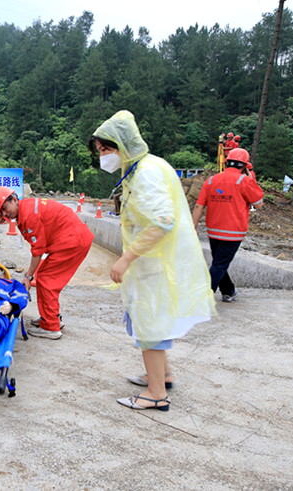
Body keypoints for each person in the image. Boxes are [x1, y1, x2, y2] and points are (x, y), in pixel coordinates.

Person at [89, 110, 214, 411]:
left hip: (152, 263)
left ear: (121, 144)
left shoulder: (146, 172)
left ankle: (156, 394)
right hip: (152, 262)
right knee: (149, 320)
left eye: (105, 150)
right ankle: (162, 375)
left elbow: (163, 222)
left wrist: (126, 258)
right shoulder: (144, 166)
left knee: (150, 324)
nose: (102, 157)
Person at [0, 186, 94, 340]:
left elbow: (38, 250)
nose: (5, 214)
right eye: (1, 212)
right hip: (71, 239)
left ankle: (51, 326)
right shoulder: (27, 209)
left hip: (72, 242)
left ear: (15, 199)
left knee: (46, 279)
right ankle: (51, 318)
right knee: (44, 276)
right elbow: (39, 247)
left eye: (5, 208)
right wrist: (30, 275)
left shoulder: (29, 215)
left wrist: (28, 276)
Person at [192, 148, 264, 303]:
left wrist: (194, 227)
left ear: (226, 162)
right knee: (219, 264)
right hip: (233, 232)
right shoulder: (244, 181)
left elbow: (199, 206)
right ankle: (203, 296)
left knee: (219, 262)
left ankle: (228, 291)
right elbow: (258, 204)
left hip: (213, 230)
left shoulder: (211, 180)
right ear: (244, 166)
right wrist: (252, 179)